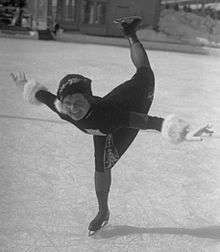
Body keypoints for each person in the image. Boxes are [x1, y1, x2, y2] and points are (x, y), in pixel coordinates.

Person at [10, 16, 213, 235]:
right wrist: (27, 86)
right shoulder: (64, 110)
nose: (73, 109)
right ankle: (103, 211)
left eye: (78, 102)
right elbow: (44, 95)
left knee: (144, 71)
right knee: (101, 166)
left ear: (89, 99)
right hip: (104, 123)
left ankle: (130, 32)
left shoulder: (109, 116)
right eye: (68, 104)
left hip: (134, 98)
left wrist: (183, 131)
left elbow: (148, 122)